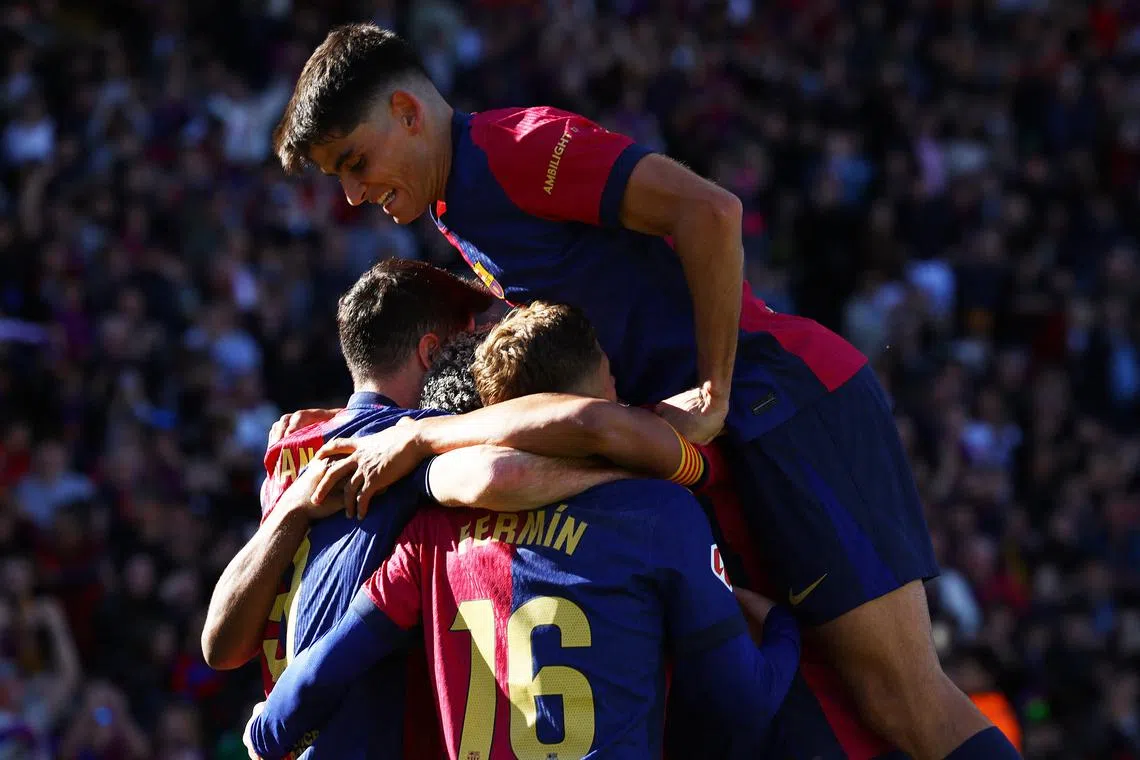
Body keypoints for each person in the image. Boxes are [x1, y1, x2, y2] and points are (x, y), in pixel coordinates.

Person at [271, 24, 1021, 759]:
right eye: (338, 175)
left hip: (783, 403)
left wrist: (714, 389)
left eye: (355, 161)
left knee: (902, 703)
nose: (352, 193)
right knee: (827, 708)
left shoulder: (514, 148)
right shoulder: (454, 209)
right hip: (728, 440)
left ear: (407, 111)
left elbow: (711, 210)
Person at [243, 326, 802, 760]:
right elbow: (742, 702)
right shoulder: (657, 513)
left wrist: (264, 731)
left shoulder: (430, 534)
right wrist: (785, 626)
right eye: (611, 379)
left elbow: (321, 671)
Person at [202, 259, 628, 759]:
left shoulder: (294, 456)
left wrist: (294, 503)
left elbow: (219, 648)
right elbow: (528, 456)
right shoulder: (415, 454)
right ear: (431, 353)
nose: (477, 364)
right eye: (466, 343)